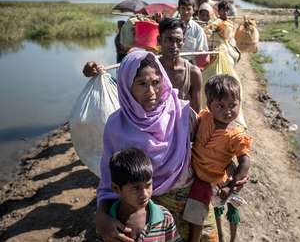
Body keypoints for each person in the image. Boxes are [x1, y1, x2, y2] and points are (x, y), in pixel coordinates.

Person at [95, 51, 225, 242]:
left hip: (193, 199)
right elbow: (109, 180)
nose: (151, 92)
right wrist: (102, 216)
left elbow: (209, 146)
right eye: (141, 84)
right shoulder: (116, 126)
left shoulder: (182, 113)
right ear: (126, 86)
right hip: (148, 210)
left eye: (156, 82)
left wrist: (232, 167)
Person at [182, 75, 252, 242]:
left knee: (197, 208)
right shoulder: (205, 117)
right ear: (209, 106)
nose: (227, 111)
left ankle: (195, 239)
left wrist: (232, 184)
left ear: (240, 104)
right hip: (193, 169)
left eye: (233, 105)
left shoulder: (236, 135)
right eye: (220, 105)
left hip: (210, 179)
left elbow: (245, 161)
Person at [82, 18, 203, 113]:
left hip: (182, 131)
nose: (174, 46)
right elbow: (123, 79)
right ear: (159, 40)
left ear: (184, 40)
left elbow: (196, 111)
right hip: (154, 130)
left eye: (178, 40)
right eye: (169, 40)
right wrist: (93, 69)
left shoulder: (193, 72)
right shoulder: (148, 67)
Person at [106, 147, 181, 242]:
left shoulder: (164, 217)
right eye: (136, 188)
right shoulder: (108, 223)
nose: (145, 194)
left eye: (148, 185)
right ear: (116, 188)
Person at [177, 0, 210, 67]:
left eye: (188, 9)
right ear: (178, 9)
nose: (185, 12)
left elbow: (201, 54)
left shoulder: (198, 30)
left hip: (189, 66)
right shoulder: (172, 27)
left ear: (193, 10)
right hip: (171, 64)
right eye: (183, 8)